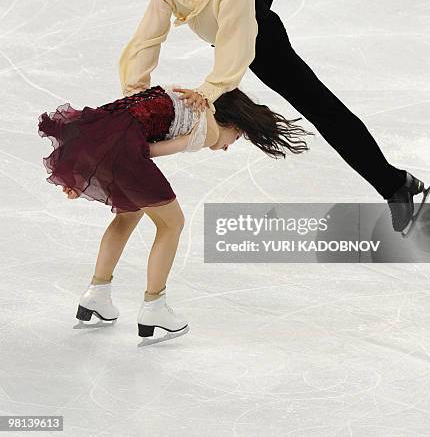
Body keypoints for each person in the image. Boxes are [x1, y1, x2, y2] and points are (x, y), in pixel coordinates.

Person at [118, 0, 430, 240]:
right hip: (242, 10)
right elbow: (148, 35)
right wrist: (134, 88)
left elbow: (235, 48)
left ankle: (395, 184)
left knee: (320, 106)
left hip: (260, 38)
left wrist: (208, 91)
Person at [38, 83, 312, 343]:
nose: (228, 145)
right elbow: (150, 150)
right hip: (123, 148)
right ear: (232, 122)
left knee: (129, 213)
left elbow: (113, 123)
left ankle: (96, 295)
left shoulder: (179, 93)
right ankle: (154, 307)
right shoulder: (209, 126)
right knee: (172, 223)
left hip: (93, 137)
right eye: (237, 137)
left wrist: (82, 171)